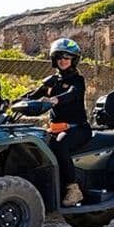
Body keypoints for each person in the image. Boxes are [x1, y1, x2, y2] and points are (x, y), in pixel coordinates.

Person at [22, 38, 91, 206]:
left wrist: (54, 101)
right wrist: (14, 102)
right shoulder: (52, 81)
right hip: (55, 128)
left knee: (59, 145)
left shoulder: (77, 80)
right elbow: (34, 94)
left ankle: (73, 189)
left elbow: (72, 94)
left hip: (77, 129)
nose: (62, 61)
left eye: (67, 58)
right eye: (59, 57)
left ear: (74, 60)